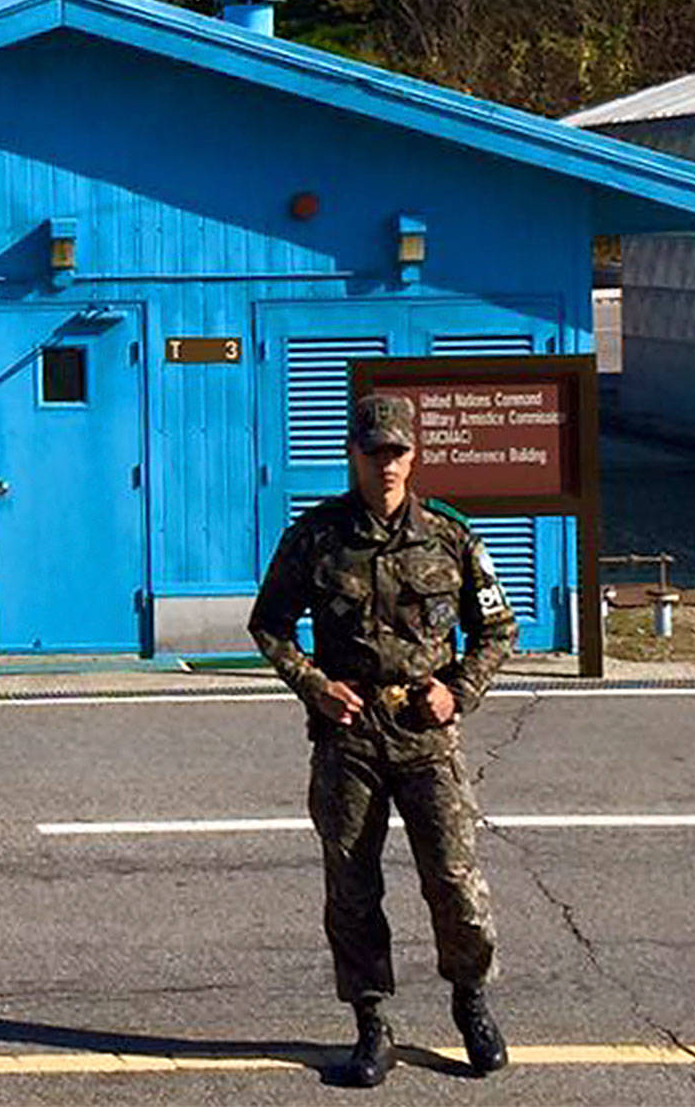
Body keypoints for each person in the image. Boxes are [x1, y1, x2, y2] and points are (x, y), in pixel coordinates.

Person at [248, 392, 516, 1087]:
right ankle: (372, 1023)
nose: (387, 463)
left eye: (398, 450)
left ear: (414, 454)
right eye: (374, 451)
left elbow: (497, 627)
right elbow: (270, 624)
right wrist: (314, 684)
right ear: (354, 454)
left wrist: (458, 688)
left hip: (427, 736)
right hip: (351, 737)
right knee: (352, 887)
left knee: (455, 882)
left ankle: (471, 1000)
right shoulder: (317, 536)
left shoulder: (450, 536)